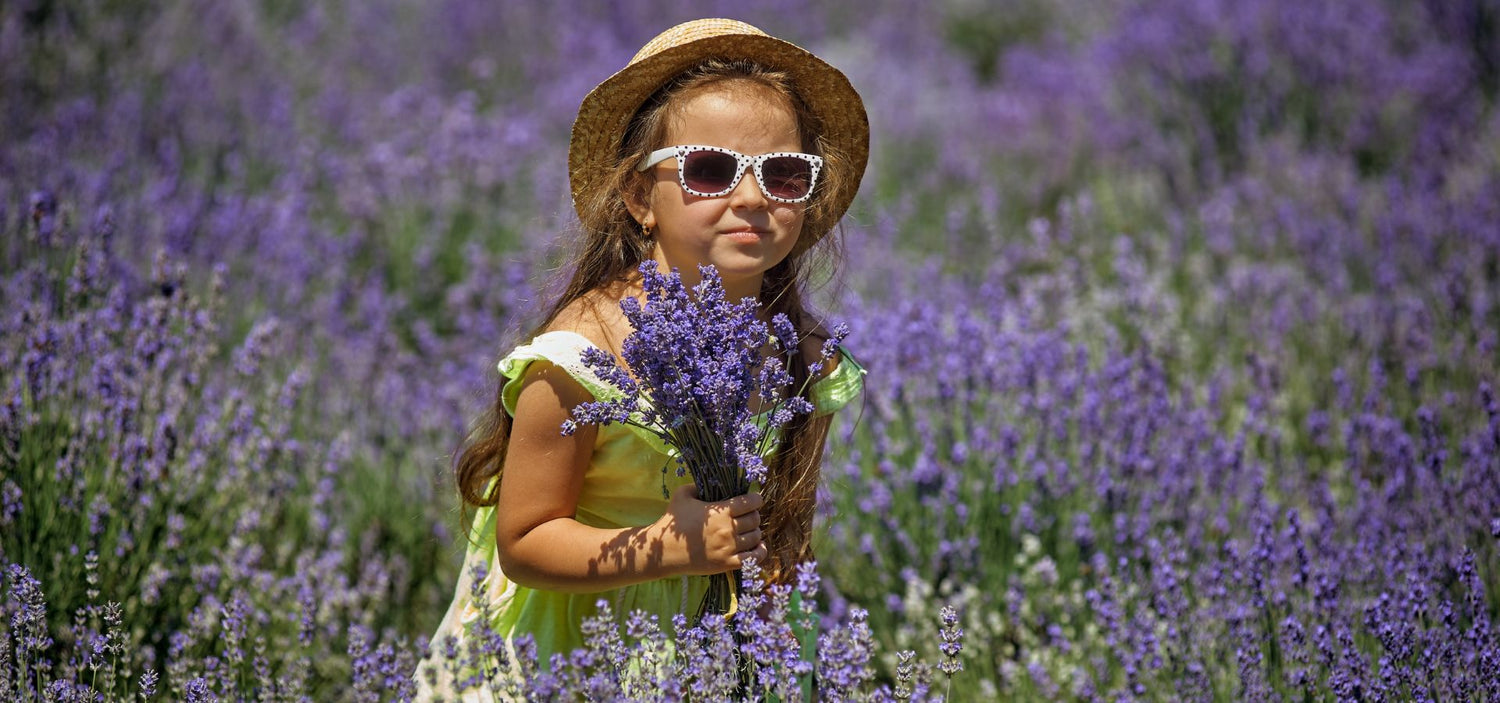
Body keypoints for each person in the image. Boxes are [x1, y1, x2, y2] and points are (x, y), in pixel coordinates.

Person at [417, 17, 869, 697]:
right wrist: (672, 547)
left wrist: (774, 591)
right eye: (711, 169)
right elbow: (526, 539)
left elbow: (788, 530)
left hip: (718, 651)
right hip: (578, 648)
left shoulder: (801, 358)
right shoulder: (582, 357)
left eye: (783, 173)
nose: (751, 197)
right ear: (637, 196)